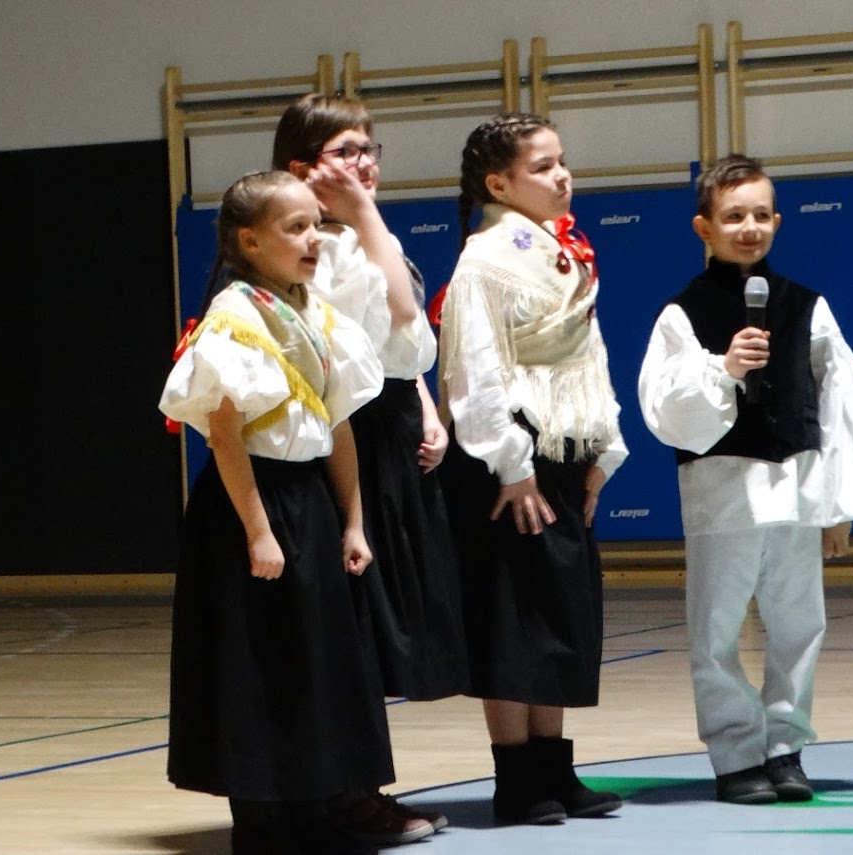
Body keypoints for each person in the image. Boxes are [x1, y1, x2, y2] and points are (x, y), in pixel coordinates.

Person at [636, 153, 853, 805]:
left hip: (797, 487)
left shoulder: (806, 306)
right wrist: (722, 369)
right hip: (722, 491)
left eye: (760, 215)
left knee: (798, 624)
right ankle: (735, 753)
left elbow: (838, 404)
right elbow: (663, 407)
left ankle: (784, 745)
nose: (748, 227)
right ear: (704, 227)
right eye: (733, 216)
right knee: (715, 630)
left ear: (778, 221)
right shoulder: (683, 312)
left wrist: (838, 503)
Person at [158, 170, 389, 855]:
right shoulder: (234, 319)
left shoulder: (313, 313)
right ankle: (263, 824)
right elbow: (225, 437)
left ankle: (314, 810)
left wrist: (353, 520)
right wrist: (259, 533)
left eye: (316, 224)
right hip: (250, 506)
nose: (313, 239)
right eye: (295, 228)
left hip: (308, 502)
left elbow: (337, 424)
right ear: (249, 241)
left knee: (314, 660)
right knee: (259, 664)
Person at [272, 95, 468, 847]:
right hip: (336, 440)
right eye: (345, 151)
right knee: (349, 632)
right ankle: (345, 796)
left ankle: (362, 787)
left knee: (379, 631)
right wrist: (362, 214)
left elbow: (408, 347)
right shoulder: (312, 248)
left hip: (385, 433)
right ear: (302, 167)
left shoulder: (363, 234)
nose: (364, 164)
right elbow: (369, 341)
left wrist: (422, 403)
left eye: (369, 149)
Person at [435, 112, 627, 827]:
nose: (561, 175)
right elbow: (472, 369)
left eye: (561, 160)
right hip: (509, 457)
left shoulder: (562, 248)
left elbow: (590, 355)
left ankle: (554, 769)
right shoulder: (484, 258)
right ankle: (515, 779)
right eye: (542, 166)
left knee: (558, 613)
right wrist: (510, 465)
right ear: (498, 184)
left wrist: (603, 447)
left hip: (565, 448)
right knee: (514, 619)